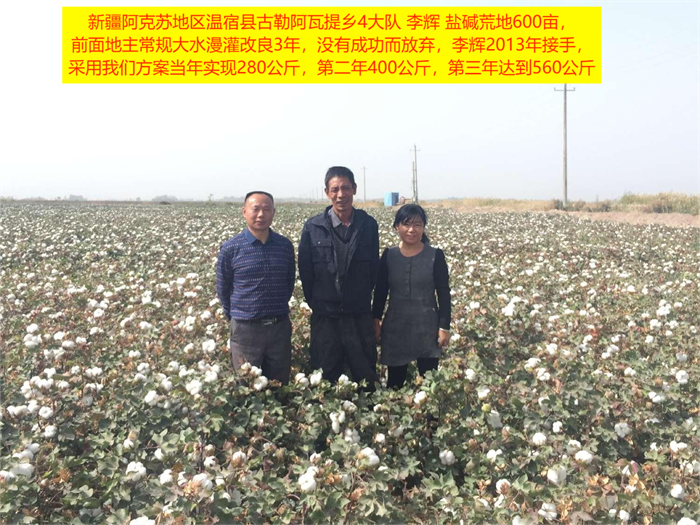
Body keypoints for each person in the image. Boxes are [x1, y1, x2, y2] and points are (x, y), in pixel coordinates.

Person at [298, 166, 379, 390]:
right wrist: (320, 303)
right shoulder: (313, 227)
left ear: (354, 189)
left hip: (358, 316)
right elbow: (306, 272)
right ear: (327, 192)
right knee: (324, 378)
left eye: (345, 188)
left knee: (365, 377)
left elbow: (374, 269)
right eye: (335, 189)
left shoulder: (368, 225)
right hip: (326, 318)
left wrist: (358, 297)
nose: (340, 194)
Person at [216, 191, 296, 384]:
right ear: (244, 212)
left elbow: (288, 283)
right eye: (255, 209)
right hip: (245, 329)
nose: (261, 214)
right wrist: (238, 316)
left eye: (266, 209)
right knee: (246, 385)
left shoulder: (284, 246)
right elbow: (223, 288)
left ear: (274, 212)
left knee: (279, 385)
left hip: (279, 328)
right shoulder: (231, 248)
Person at [372, 204, 451, 389]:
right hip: (395, 328)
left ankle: (429, 410)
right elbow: (381, 292)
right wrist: (375, 320)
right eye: (406, 224)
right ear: (397, 226)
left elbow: (443, 293)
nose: (411, 230)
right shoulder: (388, 256)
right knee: (395, 383)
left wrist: (444, 326)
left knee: (429, 384)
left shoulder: (435, 256)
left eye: (417, 225)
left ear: (423, 228)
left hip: (427, 328)